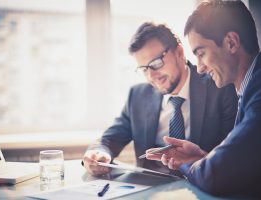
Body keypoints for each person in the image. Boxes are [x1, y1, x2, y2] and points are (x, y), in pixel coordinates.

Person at [146, 0, 261, 198]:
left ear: (231, 43)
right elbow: (244, 165)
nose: (199, 68)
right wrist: (202, 157)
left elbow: (214, 176)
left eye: (201, 53)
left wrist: (188, 163)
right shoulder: (254, 84)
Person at [82, 22, 238, 177]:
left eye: (156, 63)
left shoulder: (220, 87)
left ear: (179, 52)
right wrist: (97, 153)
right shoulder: (138, 95)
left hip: (199, 185)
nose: (151, 76)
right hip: (149, 189)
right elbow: (110, 139)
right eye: (144, 69)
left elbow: (231, 156)